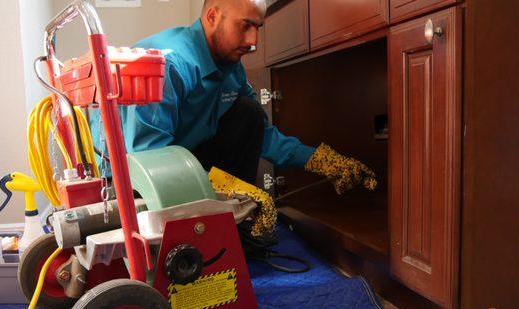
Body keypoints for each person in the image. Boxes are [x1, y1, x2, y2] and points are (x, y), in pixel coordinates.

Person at [113, 0, 377, 194]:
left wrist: (322, 162)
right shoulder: (167, 64)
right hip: (135, 172)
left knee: (247, 113)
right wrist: (234, 192)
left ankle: (233, 226)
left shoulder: (231, 69)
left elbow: (262, 135)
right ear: (213, 16)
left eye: (258, 27)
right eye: (245, 26)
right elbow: (151, 160)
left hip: (184, 156)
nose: (254, 41)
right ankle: (226, 219)